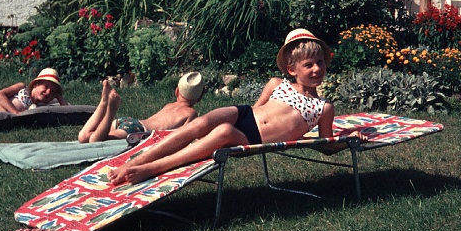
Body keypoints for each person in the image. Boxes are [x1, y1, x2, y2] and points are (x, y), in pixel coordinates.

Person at [107, 29, 368, 186]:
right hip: (244, 114)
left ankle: (153, 168)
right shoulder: (277, 83)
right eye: (308, 65)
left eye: (320, 63)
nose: (316, 69)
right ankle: (136, 161)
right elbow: (256, 108)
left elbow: (326, 144)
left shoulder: (323, 107)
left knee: (223, 132)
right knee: (201, 123)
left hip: (254, 138)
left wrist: (348, 141)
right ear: (292, 69)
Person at [77, 72, 205, 143]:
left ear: (176, 91)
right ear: (200, 97)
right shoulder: (191, 113)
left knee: (83, 137)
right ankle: (111, 109)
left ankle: (103, 103)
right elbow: (185, 135)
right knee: (95, 140)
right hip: (137, 130)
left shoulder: (169, 105)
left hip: (129, 121)